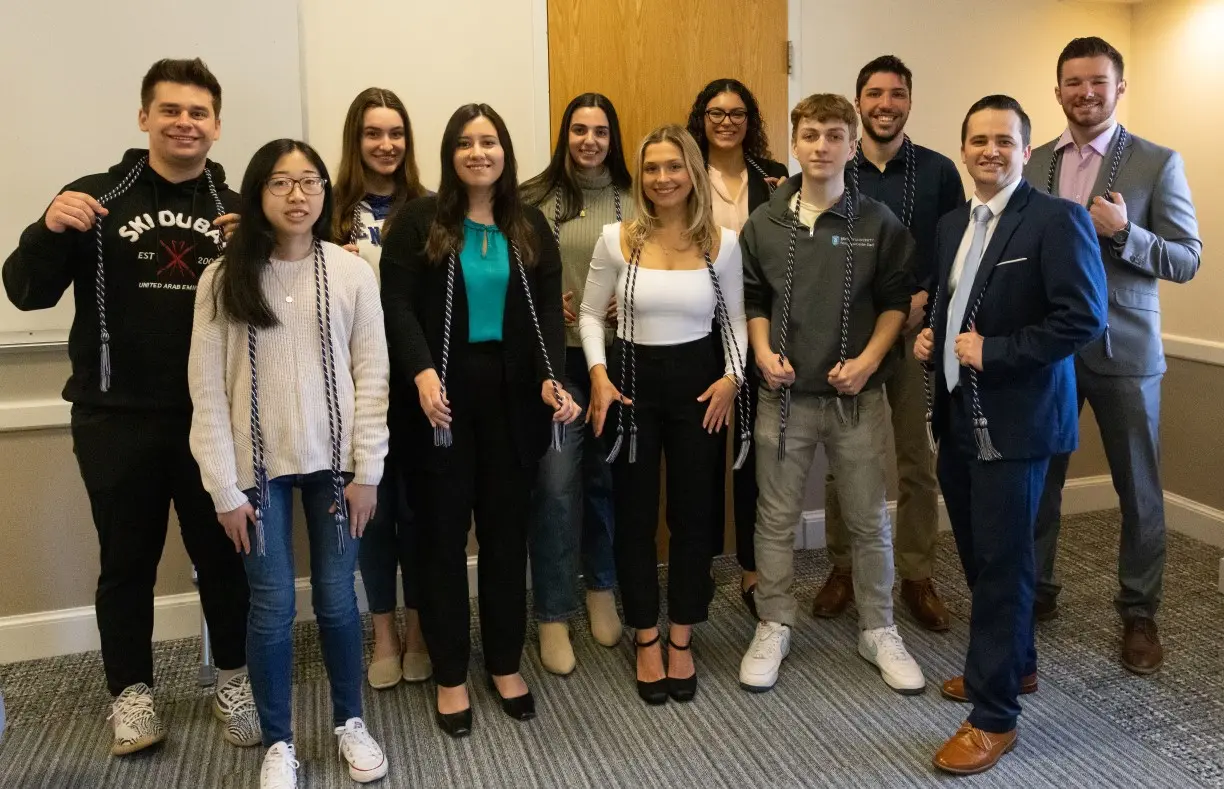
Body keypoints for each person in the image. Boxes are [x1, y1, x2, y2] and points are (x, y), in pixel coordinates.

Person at [1, 58, 255, 756]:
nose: (184, 123)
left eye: (198, 112)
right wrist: (46, 228)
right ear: (144, 117)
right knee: (126, 563)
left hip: (213, 423)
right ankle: (132, 693)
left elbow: (274, 320)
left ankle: (234, 679)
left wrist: (256, 255)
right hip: (114, 419)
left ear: (217, 125)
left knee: (224, 559)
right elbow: (25, 292)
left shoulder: (238, 209)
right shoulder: (91, 198)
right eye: (170, 110)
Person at [189, 139, 391, 788]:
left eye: (310, 182)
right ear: (258, 193)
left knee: (337, 598)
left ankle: (349, 721)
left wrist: (368, 472)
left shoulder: (352, 272)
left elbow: (373, 376)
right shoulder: (222, 279)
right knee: (272, 605)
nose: (298, 195)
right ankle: (279, 741)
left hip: (337, 467)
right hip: (256, 470)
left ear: (326, 192)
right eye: (281, 182)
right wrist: (223, 489)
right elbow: (206, 391)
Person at [914, 95, 1106, 775]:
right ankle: (1015, 663)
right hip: (957, 419)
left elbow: (1082, 318)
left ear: (1027, 151)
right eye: (978, 140)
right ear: (963, 150)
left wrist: (993, 352)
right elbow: (955, 300)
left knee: (1002, 566)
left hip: (1017, 425)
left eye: (1004, 140)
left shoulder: (1056, 219)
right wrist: (931, 337)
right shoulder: (952, 224)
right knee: (978, 556)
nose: (990, 151)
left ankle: (995, 714)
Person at [380, 104, 581, 738]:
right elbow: (395, 304)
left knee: (505, 538)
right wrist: (421, 372)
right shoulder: (420, 221)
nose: (478, 153)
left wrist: (550, 376)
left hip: (513, 401)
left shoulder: (527, 224)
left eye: (488, 141)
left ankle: (503, 663)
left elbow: (547, 314)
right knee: (441, 540)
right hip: (439, 401)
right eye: (465, 143)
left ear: (504, 152)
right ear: (449, 154)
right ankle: (450, 674)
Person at [737, 94, 925, 696]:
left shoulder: (877, 222)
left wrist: (868, 362)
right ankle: (774, 622)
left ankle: (879, 627)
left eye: (835, 135)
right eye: (811, 135)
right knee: (775, 519)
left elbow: (897, 302)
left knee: (869, 519)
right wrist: (762, 352)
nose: (822, 146)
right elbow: (754, 298)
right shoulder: (765, 222)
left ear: (851, 145)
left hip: (856, 400)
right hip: (784, 399)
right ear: (795, 144)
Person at [1026, 37, 1201, 674]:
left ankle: (1139, 612)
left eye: (1098, 81)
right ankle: (1036, 592)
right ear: (1058, 91)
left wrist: (1125, 232)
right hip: (1047, 352)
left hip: (1124, 349)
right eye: (1073, 82)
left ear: (1119, 88)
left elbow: (1187, 259)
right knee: (1038, 481)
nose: (1086, 93)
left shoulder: (1158, 162)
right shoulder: (1032, 162)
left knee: (1139, 490)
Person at [583, 124, 748, 705]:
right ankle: (646, 635)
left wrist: (732, 378)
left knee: (693, 515)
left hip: (701, 389)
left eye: (674, 167)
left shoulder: (723, 243)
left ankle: (681, 634)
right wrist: (598, 375)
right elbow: (589, 315)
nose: (662, 178)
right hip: (630, 388)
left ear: (693, 173)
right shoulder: (616, 239)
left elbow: (734, 321)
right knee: (634, 516)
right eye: (651, 168)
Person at [814, 56, 965, 631]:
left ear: (909, 102)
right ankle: (843, 568)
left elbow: (956, 250)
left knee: (916, 462)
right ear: (858, 102)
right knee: (845, 462)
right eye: (874, 93)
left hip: (913, 337)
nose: (885, 104)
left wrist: (925, 300)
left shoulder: (939, 172)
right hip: (848, 338)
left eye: (896, 94)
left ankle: (918, 575)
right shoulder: (833, 165)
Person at [520, 93, 633, 674]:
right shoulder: (531, 199)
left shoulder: (637, 197)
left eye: (601, 131)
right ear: (565, 134)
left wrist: (628, 298)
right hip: (554, 365)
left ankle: (601, 588)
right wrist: (542, 305)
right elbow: (504, 278)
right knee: (557, 484)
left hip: (618, 361)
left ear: (613, 138)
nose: (590, 141)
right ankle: (554, 612)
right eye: (580, 130)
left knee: (604, 480)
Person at [331, 87, 431, 690]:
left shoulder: (431, 209)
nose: (386, 144)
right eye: (373, 133)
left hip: (418, 384)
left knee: (419, 513)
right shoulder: (326, 211)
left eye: (396, 133)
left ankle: (419, 631)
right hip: (353, 388)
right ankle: (385, 634)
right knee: (370, 513)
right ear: (356, 140)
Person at [685, 78, 788, 616]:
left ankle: (752, 567)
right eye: (716, 113)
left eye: (737, 113)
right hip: (696, 328)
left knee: (753, 455)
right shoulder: (682, 171)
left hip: (757, 327)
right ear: (701, 118)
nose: (727, 122)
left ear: (751, 120)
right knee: (700, 455)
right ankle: (697, 564)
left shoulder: (774, 177)